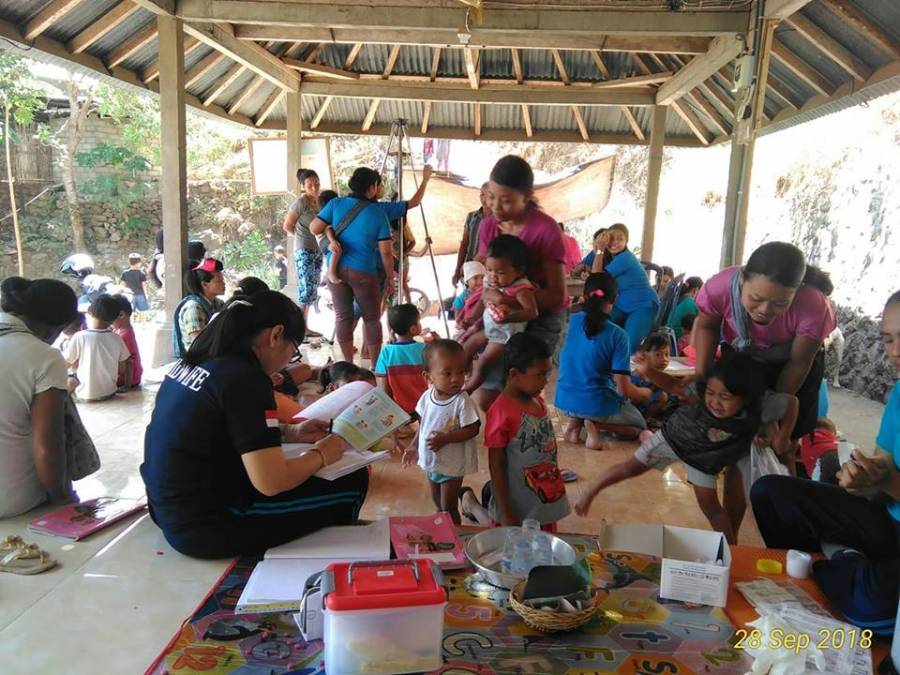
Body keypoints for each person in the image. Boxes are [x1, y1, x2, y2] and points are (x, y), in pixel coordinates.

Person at [141, 290, 369, 559]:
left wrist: (289, 432)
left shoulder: (195, 363)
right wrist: (321, 454)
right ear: (276, 335)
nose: (288, 360)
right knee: (352, 480)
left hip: (167, 508)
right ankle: (322, 559)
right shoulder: (245, 378)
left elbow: (217, 431)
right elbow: (271, 481)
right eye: (293, 350)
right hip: (206, 526)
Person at [751, 290, 900, 637]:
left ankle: (840, 564)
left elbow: (889, 481)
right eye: (888, 339)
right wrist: (862, 477)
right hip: (888, 522)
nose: (895, 351)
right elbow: (883, 466)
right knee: (770, 492)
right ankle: (834, 568)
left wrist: (884, 482)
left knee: (871, 603)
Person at [577, 351, 798, 544]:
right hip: (673, 439)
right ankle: (592, 490)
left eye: (725, 397)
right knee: (629, 467)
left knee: (711, 509)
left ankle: (731, 551)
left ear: (746, 398)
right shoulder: (698, 389)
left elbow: (791, 403)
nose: (714, 402)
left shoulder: (762, 404)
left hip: (705, 460)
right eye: (711, 393)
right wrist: (648, 371)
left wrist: (783, 436)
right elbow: (674, 385)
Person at [694, 242, 835, 512]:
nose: (765, 310)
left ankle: (788, 518)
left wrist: (770, 415)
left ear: (797, 292)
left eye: (780, 303)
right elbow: (707, 325)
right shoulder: (720, 287)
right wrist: (702, 377)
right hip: (743, 359)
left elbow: (799, 361)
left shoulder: (814, 305)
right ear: (742, 279)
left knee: (783, 445)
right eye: (756, 298)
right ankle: (732, 528)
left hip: (792, 367)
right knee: (739, 448)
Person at [473, 155, 567, 412]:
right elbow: (486, 278)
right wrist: (478, 305)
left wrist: (508, 301)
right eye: (491, 197)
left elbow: (557, 295)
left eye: (505, 200)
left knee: (523, 392)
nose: (495, 206)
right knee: (488, 396)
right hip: (502, 316)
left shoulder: (545, 229)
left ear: (526, 196)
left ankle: (527, 434)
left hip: (542, 317)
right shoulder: (488, 226)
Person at [0, 277, 79, 518]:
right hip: (12, 502)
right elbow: (47, 446)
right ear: (54, 328)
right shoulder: (44, 356)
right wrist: (63, 498)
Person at [481, 334, 570, 529]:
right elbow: (496, 465)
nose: (546, 381)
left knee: (545, 543)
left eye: (548, 373)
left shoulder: (538, 401)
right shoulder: (500, 412)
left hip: (542, 500)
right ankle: (472, 504)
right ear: (514, 374)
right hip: (517, 507)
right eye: (540, 375)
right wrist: (505, 510)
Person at [554, 273, 648, 450]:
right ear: (615, 299)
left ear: (584, 295)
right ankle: (596, 425)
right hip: (595, 403)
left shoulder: (567, 322)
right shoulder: (618, 335)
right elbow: (624, 390)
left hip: (564, 400)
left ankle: (575, 425)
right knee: (640, 426)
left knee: (587, 388)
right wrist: (644, 393)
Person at [310, 167, 394, 365]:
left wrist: (331, 235)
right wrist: (390, 277)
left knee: (343, 317)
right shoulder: (378, 213)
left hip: (336, 269)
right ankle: (375, 366)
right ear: (372, 187)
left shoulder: (335, 204)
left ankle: (348, 364)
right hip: (363, 271)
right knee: (372, 319)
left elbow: (314, 228)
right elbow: (386, 252)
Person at [403, 339, 480, 524]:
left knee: (448, 507)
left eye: (461, 372)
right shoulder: (426, 397)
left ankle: (455, 535)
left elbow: (473, 429)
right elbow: (424, 424)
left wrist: (446, 438)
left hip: (452, 465)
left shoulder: (462, 401)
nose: (456, 379)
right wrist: (413, 445)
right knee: (437, 503)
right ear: (428, 377)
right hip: (432, 461)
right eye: (447, 373)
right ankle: (443, 531)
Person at [463, 234, 538, 394]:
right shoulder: (490, 282)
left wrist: (508, 318)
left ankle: (468, 390)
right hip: (491, 329)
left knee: (484, 361)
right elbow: (483, 298)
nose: (493, 276)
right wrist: (472, 317)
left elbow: (532, 312)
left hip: (505, 336)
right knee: (468, 345)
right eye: (489, 270)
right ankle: (463, 374)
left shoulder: (521, 289)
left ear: (519, 271)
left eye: (500, 272)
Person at [590, 223, 660, 353]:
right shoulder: (609, 256)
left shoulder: (626, 258)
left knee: (629, 346)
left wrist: (600, 249)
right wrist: (598, 249)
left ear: (626, 241)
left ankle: (623, 365)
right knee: (599, 327)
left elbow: (597, 277)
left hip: (643, 307)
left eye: (620, 238)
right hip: (622, 306)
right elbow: (594, 274)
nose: (614, 242)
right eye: (611, 238)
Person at [64, 294, 133, 401]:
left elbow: (66, 363)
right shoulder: (116, 338)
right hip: (110, 392)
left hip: (85, 395)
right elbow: (128, 364)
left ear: (89, 311)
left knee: (70, 380)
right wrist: (127, 386)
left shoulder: (80, 336)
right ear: (114, 318)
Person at [282, 169, 324, 318]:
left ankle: (304, 323)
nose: (314, 187)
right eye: (310, 185)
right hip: (304, 249)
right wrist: (301, 236)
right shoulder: (301, 203)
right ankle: (300, 323)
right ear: (303, 186)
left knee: (313, 287)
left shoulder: (320, 202)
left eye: (316, 183)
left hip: (317, 249)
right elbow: (287, 226)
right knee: (306, 287)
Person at [374, 304, 428, 415]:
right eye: (419, 322)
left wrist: (388, 406)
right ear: (413, 329)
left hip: (398, 407)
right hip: (423, 405)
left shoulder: (386, 351)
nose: (420, 324)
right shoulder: (424, 348)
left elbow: (384, 384)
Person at [173, 258, 226, 358]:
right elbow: (199, 345)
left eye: (223, 280)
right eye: (219, 281)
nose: (224, 283)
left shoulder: (219, 304)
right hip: (199, 360)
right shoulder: (193, 308)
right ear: (205, 285)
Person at [452, 182, 490, 287]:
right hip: (468, 270)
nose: (483, 197)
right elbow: (464, 243)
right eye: (481, 194)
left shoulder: (498, 221)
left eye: (487, 194)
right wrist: (458, 270)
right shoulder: (472, 217)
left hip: (486, 273)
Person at [630, 332, 671, 420]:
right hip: (627, 410)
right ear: (644, 355)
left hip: (641, 408)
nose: (664, 359)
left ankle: (643, 420)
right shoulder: (637, 375)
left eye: (667, 354)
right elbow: (633, 398)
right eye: (658, 355)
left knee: (663, 396)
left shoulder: (659, 375)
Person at [112, 295, 142, 389]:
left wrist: (126, 386)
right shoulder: (118, 330)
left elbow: (130, 363)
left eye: (110, 317)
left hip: (129, 379)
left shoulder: (126, 335)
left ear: (121, 315)